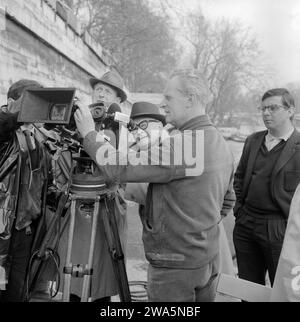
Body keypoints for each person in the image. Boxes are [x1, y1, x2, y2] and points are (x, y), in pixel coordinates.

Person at [74, 68, 236, 302]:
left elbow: (118, 167)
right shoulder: (216, 140)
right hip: (205, 259)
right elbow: (227, 200)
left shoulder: (185, 145)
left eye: (169, 97)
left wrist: (89, 133)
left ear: (190, 99)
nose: (162, 103)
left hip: (175, 266)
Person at [57, 70, 128, 302]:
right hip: (76, 199)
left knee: (101, 267)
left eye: (108, 91)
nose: (101, 94)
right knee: (73, 264)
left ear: (118, 100)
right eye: (98, 89)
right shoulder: (81, 117)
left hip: (105, 203)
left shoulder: (122, 126)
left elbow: (120, 168)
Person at [233, 88, 300, 286]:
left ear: (290, 111)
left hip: (280, 227)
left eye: (273, 108)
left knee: (283, 289)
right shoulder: (253, 140)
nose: (266, 113)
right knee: (248, 286)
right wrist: (240, 211)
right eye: (263, 108)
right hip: (246, 224)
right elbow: (239, 178)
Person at [0, 79, 51, 302]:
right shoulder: (5, 126)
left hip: (24, 229)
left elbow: (43, 177)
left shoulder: (36, 135)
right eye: (30, 103)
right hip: (2, 225)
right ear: (11, 102)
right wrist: (18, 115)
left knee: (17, 292)